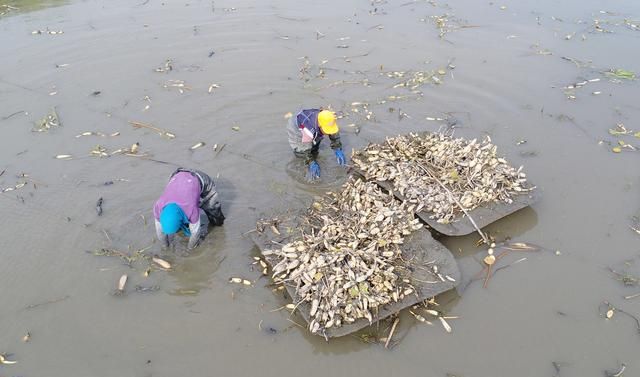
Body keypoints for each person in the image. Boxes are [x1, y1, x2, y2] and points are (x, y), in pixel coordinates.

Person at [153, 168, 224, 250]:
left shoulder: (191, 209)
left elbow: (195, 233)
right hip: (176, 177)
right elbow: (160, 232)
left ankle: (217, 222)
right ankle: (181, 224)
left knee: (215, 218)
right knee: (182, 224)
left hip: (199, 179)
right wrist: (165, 246)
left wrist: (190, 249)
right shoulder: (158, 207)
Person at [286, 108, 346, 179]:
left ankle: (313, 152)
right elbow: (305, 149)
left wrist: (337, 147)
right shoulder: (308, 131)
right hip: (296, 127)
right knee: (301, 152)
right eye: (326, 130)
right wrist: (311, 162)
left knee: (315, 147)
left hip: (307, 121)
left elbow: (332, 131)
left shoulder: (327, 118)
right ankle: (307, 163)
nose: (329, 133)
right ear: (320, 126)